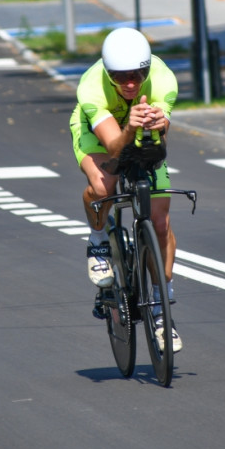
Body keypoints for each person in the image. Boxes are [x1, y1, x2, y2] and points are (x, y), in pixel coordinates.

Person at [68, 27, 181, 352]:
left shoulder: (164, 80)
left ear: (147, 69)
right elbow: (115, 149)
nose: (130, 83)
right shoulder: (92, 87)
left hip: (139, 131)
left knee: (160, 222)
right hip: (99, 135)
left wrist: (160, 122)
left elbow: (162, 137)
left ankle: (161, 305)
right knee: (106, 185)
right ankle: (99, 240)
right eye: (120, 77)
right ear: (107, 72)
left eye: (137, 75)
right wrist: (130, 125)